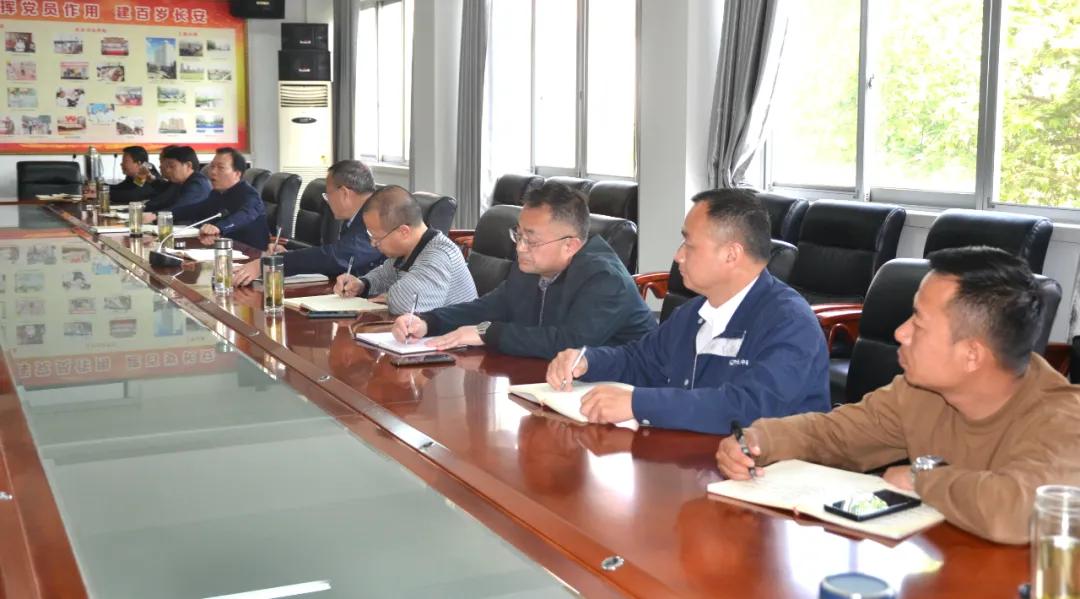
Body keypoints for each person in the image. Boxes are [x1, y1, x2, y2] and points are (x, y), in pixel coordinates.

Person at [715, 246, 1080, 545]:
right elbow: (834, 434)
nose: (900, 332)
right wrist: (759, 440)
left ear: (972, 354)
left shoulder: (1063, 417)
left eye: (918, 322)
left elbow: (1018, 512)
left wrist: (923, 478)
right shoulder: (920, 392)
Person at [546, 189, 829, 435]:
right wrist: (587, 360)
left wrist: (638, 404)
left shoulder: (789, 322)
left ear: (731, 254)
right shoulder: (693, 313)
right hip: (693, 458)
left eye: (689, 245)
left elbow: (750, 406)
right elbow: (640, 361)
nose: (678, 255)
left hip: (769, 472)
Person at [391, 180, 656, 359]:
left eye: (531, 240)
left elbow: (569, 343)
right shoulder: (531, 265)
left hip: (620, 392)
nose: (520, 248)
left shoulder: (605, 279)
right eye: (518, 235)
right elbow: (489, 307)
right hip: (548, 381)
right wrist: (428, 321)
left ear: (570, 245)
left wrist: (487, 333)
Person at [232, 160, 383, 286]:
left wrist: (270, 263)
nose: (327, 201)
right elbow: (336, 256)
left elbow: (338, 257)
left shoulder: (378, 216)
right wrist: (289, 255)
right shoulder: (358, 214)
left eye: (328, 195)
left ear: (344, 193)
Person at [333, 185, 477, 314]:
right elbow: (384, 276)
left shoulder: (438, 255)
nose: (373, 244)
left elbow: (407, 303)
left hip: (459, 334)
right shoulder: (408, 250)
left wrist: (390, 297)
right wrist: (362, 284)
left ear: (403, 232)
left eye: (377, 238)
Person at [170, 147, 269, 250]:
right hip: (221, 249)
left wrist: (219, 227)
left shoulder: (250, 195)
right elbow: (196, 210)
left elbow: (245, 215)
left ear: (237, 174)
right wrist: (166, 215)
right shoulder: (217, 193)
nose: (213, 172)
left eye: (220, 168)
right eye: (212, 166)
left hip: (250, 253)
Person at [145, 145, 211, 214]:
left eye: (172, 166)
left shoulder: (197, 185)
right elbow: (165, 196)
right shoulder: (180, 181)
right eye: (166, 166)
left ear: (188, 165)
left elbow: (178, 209)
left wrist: (153, 215)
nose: (167, 170)